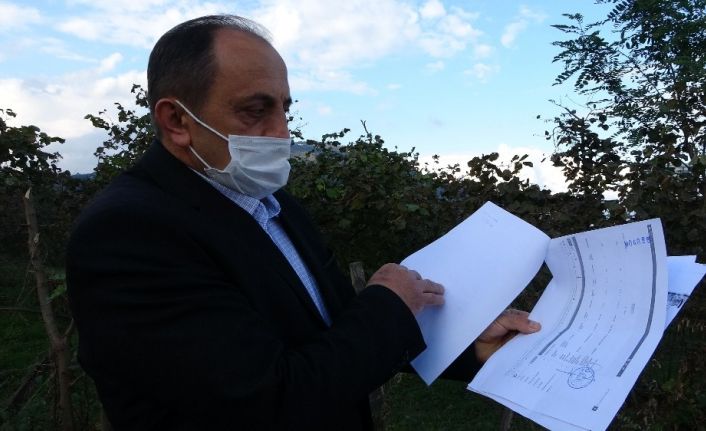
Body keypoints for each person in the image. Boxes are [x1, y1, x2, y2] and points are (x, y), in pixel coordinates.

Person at [66, 14, 540, 430]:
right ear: (176, 120)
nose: (281, 134)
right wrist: (388, 305)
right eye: (255, 111)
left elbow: (334, 335)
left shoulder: (271, 204)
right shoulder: (128, 234)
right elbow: (266, 401)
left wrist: (469, 346)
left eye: (284, 109)